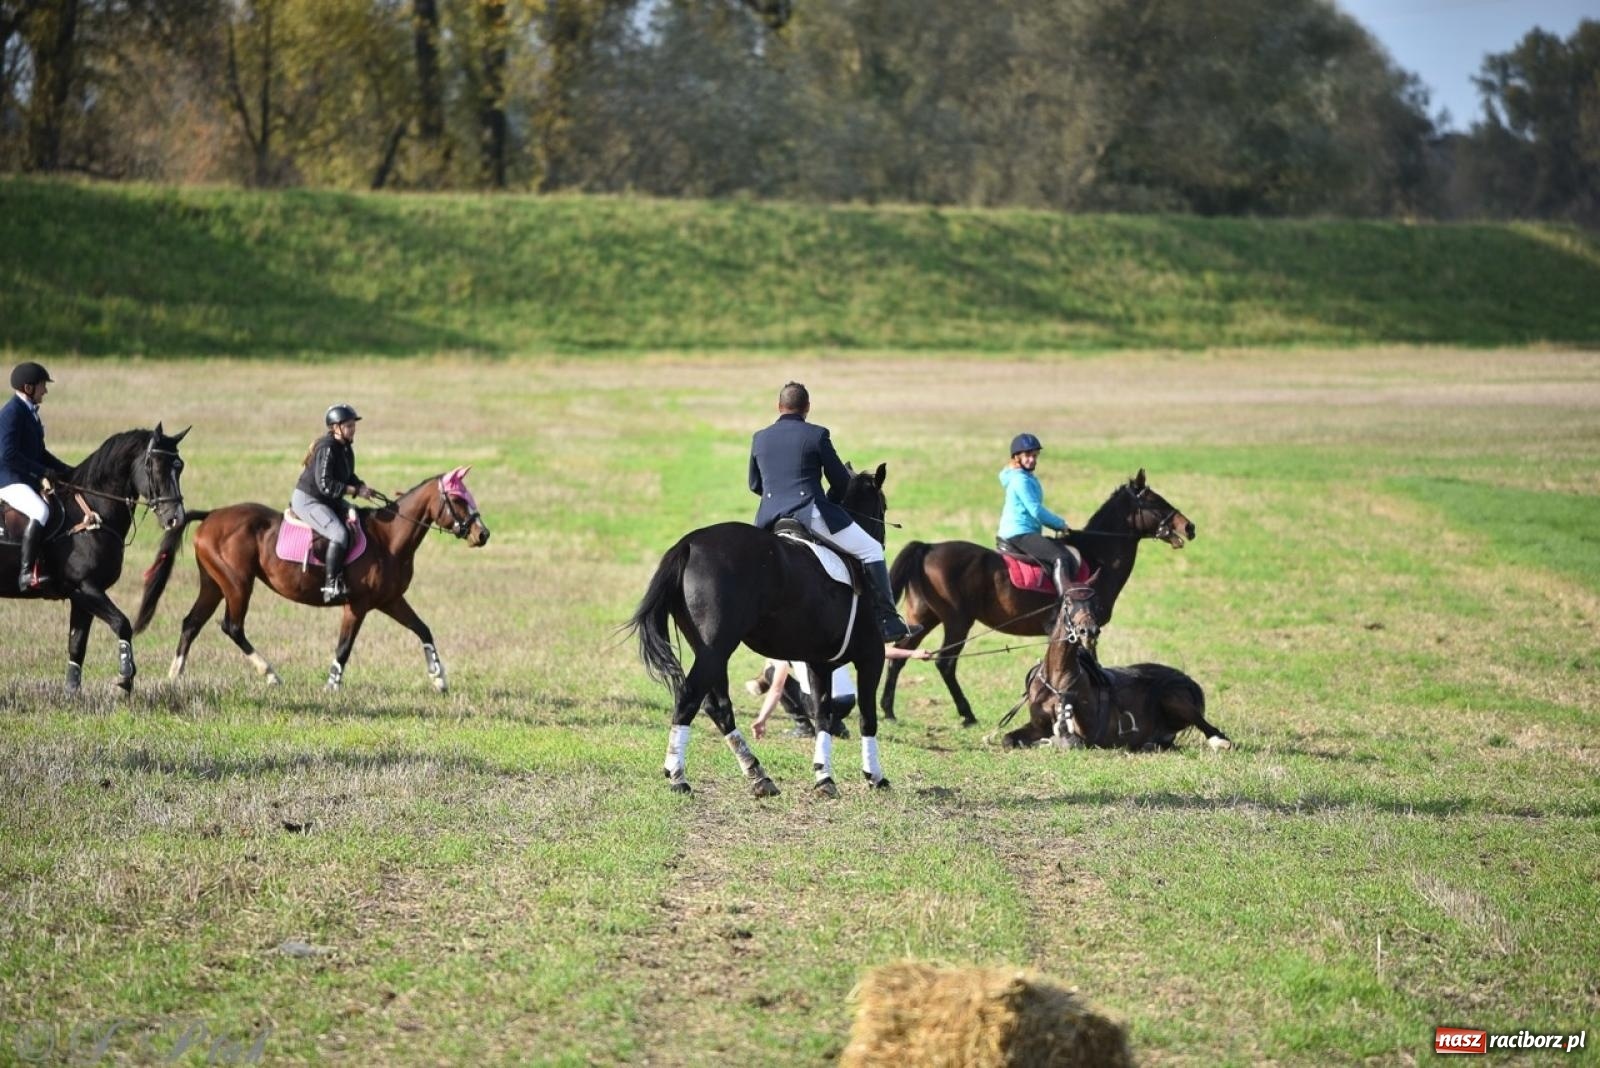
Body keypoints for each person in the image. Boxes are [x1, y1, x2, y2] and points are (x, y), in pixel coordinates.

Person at [749, 381, 917, 641]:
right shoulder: (817, 435)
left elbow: (755, 484)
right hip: (808, 514)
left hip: (769, 519)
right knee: (871, 548)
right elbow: (841, 482)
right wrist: (830, 501)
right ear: (807, 407)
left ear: (779, 407)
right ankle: (887, 619)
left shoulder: (759, 437)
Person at [750, 647, 932, 740]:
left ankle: (803, 727)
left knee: (771, 673)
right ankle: (835, 724)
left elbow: (776, 688)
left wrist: (762, 719)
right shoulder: (830, 636)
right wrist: (913, 653)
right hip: (847, 702)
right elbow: (874, 648)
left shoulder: (784, 644)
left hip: (819, 705)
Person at [292, 403, 375, 603]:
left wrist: (361, 487)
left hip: (328, 500)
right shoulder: (327, 448)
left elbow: (347, 475)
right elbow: (325, 485)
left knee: (359, 517)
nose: (352, 429)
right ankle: (331, 585)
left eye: (353, 425)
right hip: (310, 500)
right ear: (335, 428)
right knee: (339, 533)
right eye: (348, 425)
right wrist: (354, 491)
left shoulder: (345, 448)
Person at [1, 362, 71, 592]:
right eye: (42, 386)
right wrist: (40, 472)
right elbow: (8, 454)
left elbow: (40, 453)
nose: (46, 391)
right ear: (29, 387)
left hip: (22, 478)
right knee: (41, 511)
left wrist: (68, 471)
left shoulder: (29, 413)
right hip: (8, 480)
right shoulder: (12, 413)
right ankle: (25, 573)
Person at [997, 432, 1079, 587]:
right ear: (1017, 457)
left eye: (1035, 455)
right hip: (1019, 534)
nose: (1032, 459)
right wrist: (1060, 524)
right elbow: (1036, 510)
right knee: (1061, 556)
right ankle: (1066, 601)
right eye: (1027, 455)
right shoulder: (1020, 480)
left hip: (1024, 532)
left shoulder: (1025, 477)